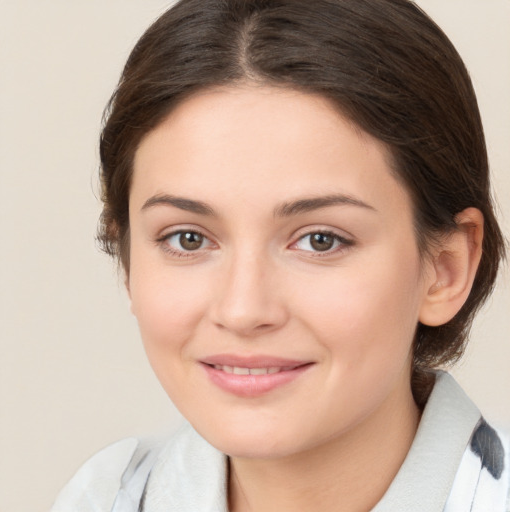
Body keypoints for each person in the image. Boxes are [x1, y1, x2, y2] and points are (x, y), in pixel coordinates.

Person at [51, 0, 509, 510]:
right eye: (188, 239)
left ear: (446, 268)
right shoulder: (99, 497)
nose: (243, 310)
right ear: (127, 259)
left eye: (320, 240)